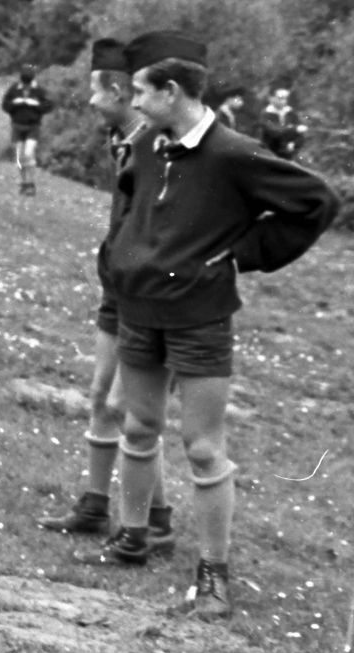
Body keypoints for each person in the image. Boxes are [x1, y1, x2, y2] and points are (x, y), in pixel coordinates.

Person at [103, 31, 339, 617]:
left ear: (172, 91)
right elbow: (133, 200)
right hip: (140, 310)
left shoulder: (235, 152)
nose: (133, 101)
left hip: (199, 319)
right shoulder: (149, 144)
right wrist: (126, 255)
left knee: (202, 447)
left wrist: (243, 252)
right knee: (138, 426)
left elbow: (319, 203)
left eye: (140, 90)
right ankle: (132, 537)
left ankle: (214, 576)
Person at [35, 39, 174, 559]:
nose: (91, 102)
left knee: (130, 409)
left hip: (150, 294)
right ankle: (95, 505)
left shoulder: (156, 144)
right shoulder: (125, 139)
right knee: (100, 396)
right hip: (118, 288)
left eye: (96, 91)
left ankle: (157, 520)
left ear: (117, 91)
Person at [1, 64, 52, 196]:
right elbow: (5, 105)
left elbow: (48, 105)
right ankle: (23, 183)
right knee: (19, 157)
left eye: (28, 83)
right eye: (24, 83)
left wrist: (36, 105)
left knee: (28, 154)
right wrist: (15, 103)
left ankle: (31, 183)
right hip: (17, 126)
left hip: (33, 127)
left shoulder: (39, 90)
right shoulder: (14, 89)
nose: (26, 86)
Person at [259, 87, 308, 160]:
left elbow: (301, 136)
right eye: (280, 98)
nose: (283, 101)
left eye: (285, 98)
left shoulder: (291, 113)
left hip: (288, 154)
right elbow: (274, 132)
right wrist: (294, 130)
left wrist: (294, 143)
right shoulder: (266, 114)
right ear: (272, 98)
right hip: (269, 153)